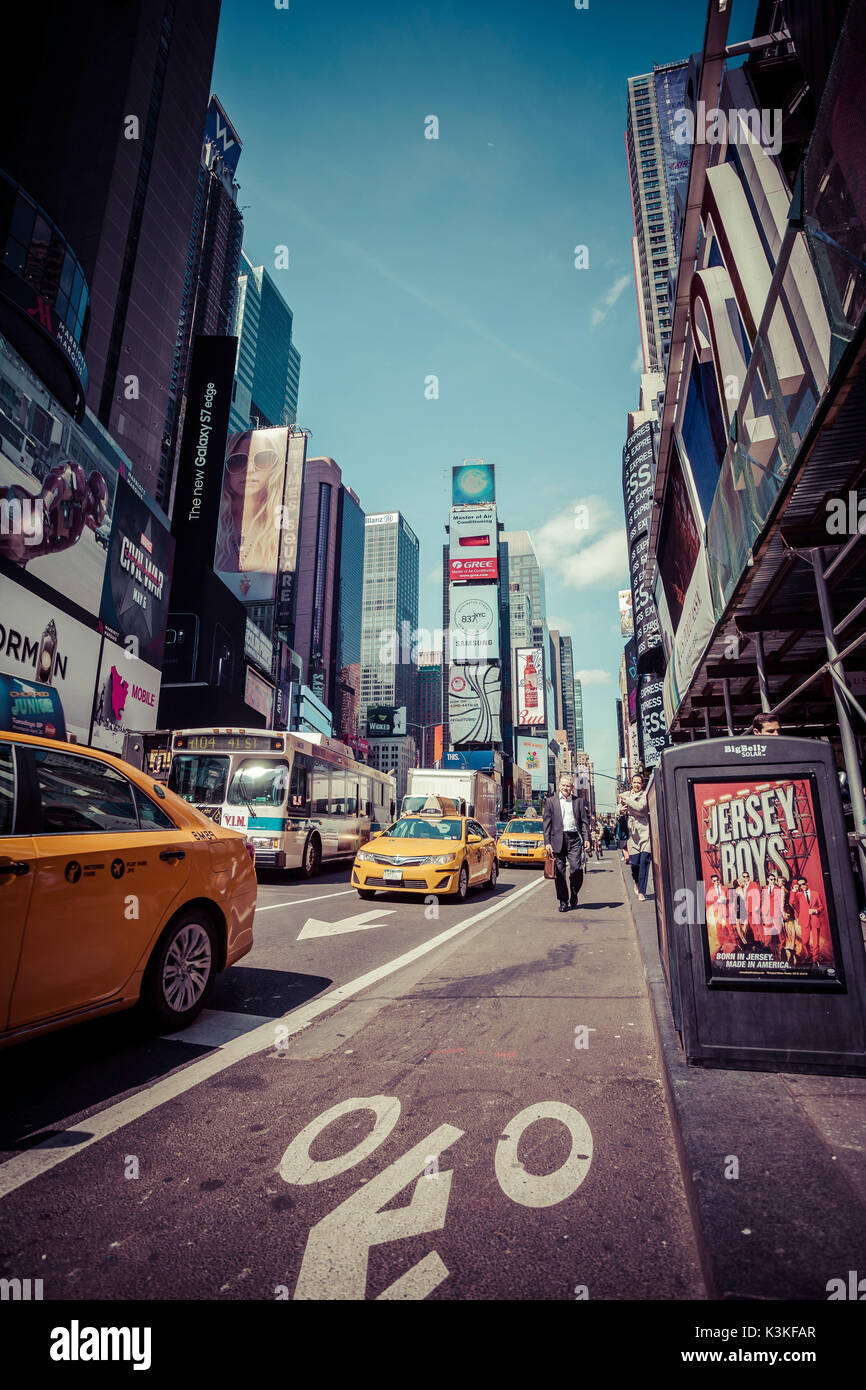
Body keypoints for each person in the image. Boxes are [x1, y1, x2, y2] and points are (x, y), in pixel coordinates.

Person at [543, 773, 591, 912]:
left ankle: (574, 893)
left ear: (572, 788)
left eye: (568, 786)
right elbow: (546, 823)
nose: (565, 788)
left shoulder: (579, 801)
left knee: (576, 868)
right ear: (559, 786)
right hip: (557, 839)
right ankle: (563, 901)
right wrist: (547, 842)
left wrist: (587, 839)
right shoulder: (551, 801)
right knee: (560, 873)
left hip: (574, 839)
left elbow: (584, 822)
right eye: (563, 785)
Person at [617, 773, 652, 901]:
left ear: (642, 784)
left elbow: (640, 808)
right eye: (634, 782)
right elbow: (618, 808)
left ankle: (642, 891)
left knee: (644, 862)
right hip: (632, 834)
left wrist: (625, 800)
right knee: (635, 864)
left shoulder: (645, 795)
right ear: (631, 783)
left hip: (645, 832)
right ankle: (637, 882)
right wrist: (620, 810)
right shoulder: (627, 794)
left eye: (639, 782)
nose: (636, 785)